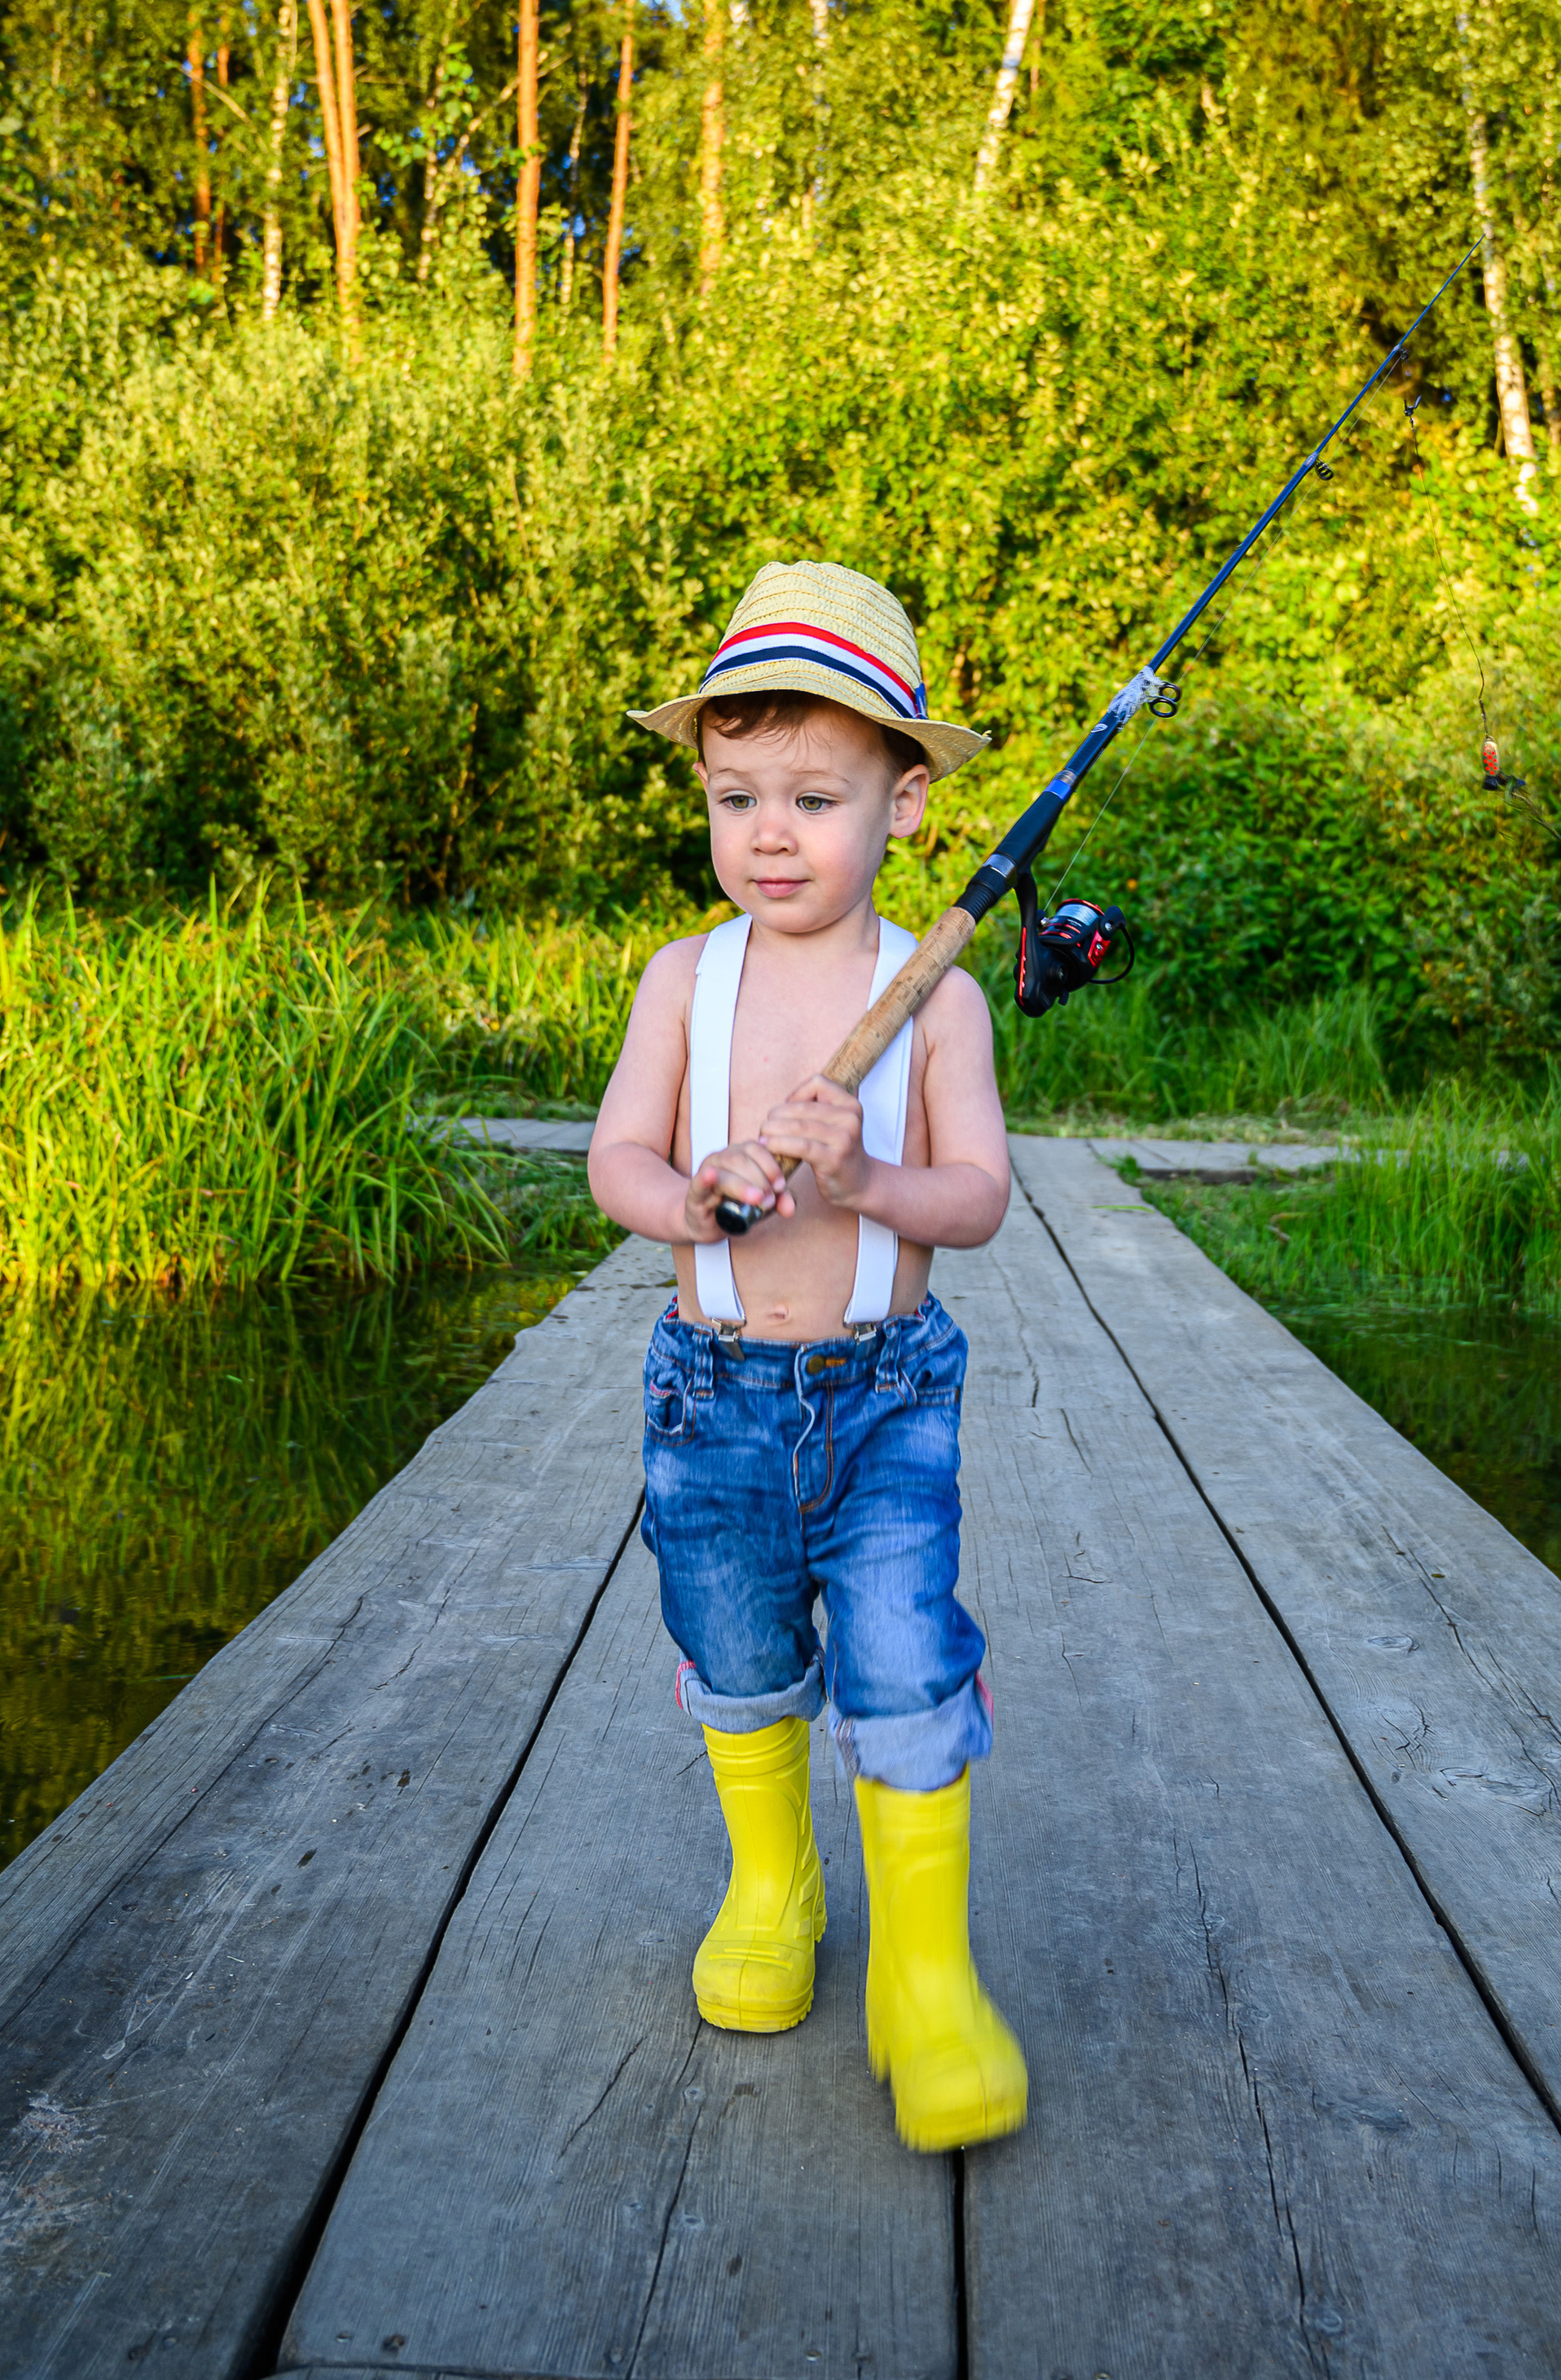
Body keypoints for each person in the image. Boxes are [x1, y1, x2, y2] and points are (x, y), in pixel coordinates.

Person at [587, 558, 1027, 2153]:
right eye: (736, 794)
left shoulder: (938, 997)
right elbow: (617, 1158)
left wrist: (857, 1184)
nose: (769, 834)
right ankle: (771, 1883)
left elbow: (971, 1198)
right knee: (737, 1642)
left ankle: (925, 1971)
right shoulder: (680, 980)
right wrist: (690, 1196)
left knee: (904, 1658)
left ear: (905, 805)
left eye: (814, 796)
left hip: (883, 1392)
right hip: (710, 1399)